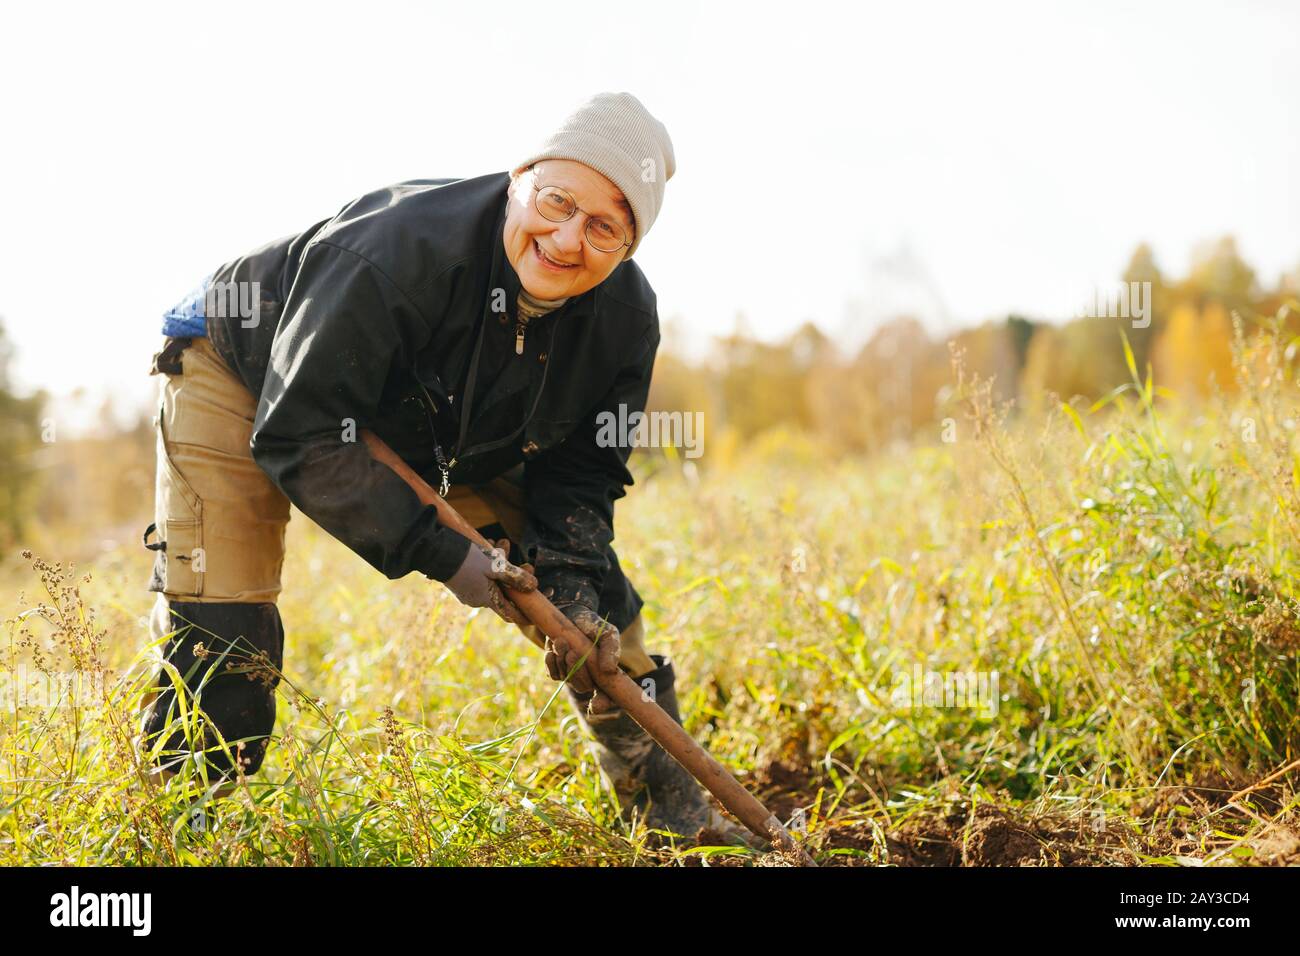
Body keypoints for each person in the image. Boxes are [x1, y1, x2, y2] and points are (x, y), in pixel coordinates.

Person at [140, 91, 748, 844]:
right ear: (518, 177)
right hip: (245, 373)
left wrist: (569, 578)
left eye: (604, 228)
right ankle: (185, 838)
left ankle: (671, 816)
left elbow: (582, 470)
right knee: (225, 633)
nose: (565, 239)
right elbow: (305, 431)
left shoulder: (623, 319)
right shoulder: (395, 250)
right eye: (556, 200)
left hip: (430, 418)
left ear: (628, 249)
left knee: (602, 623)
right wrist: (454, 555)